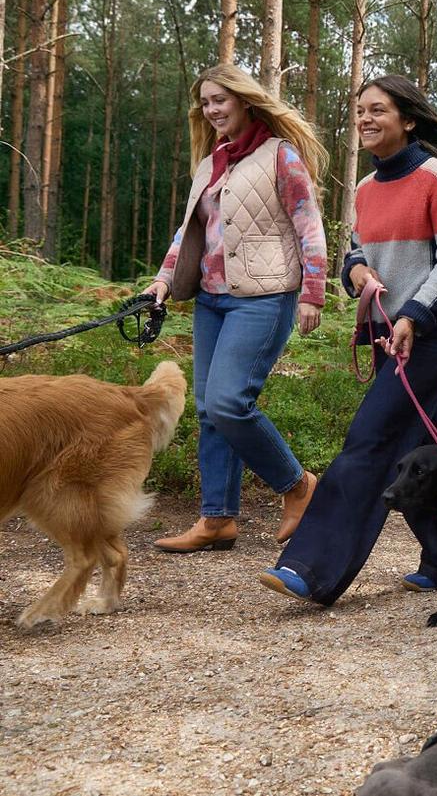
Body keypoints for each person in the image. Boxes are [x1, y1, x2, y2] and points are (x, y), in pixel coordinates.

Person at [257, 74, 437, 603]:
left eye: (377, 110)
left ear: (408, 119)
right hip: (388, 335)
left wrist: (415, 317)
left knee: (370, 439)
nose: (365, 119)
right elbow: (356, 252)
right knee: (422, 447)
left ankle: (311, 568)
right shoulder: (364, 189)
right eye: (359, 110)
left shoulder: (436, 177)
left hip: (434, 332)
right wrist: (356, 273)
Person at [145, 63, 328, 553]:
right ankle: (217, 519)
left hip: (264, 296)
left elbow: (309, 225)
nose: (212, 110)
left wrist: (314, 291)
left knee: (229, 402)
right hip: (211, 298)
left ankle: (298, 486)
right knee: (209, 411)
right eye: (205, 102)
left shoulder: (281, 156)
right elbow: (191, 232)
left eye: (220, 100)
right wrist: (163, 280)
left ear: (246, 101)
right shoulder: (211, 162)